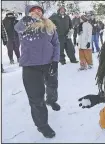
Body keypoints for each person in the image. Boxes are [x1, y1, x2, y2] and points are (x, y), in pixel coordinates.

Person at [14, 5, 61, 138]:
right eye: (34, 10)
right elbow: (17, 28)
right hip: (31, 67)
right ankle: (42, 125)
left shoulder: (49, 25)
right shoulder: (25, 25)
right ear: (29, 13)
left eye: (39, 10)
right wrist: (27, 19)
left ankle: (51, 100)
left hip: (49, 64)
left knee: (52, 85)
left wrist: (55, 61)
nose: (37, 12)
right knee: (36, 98)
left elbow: (56, 43)